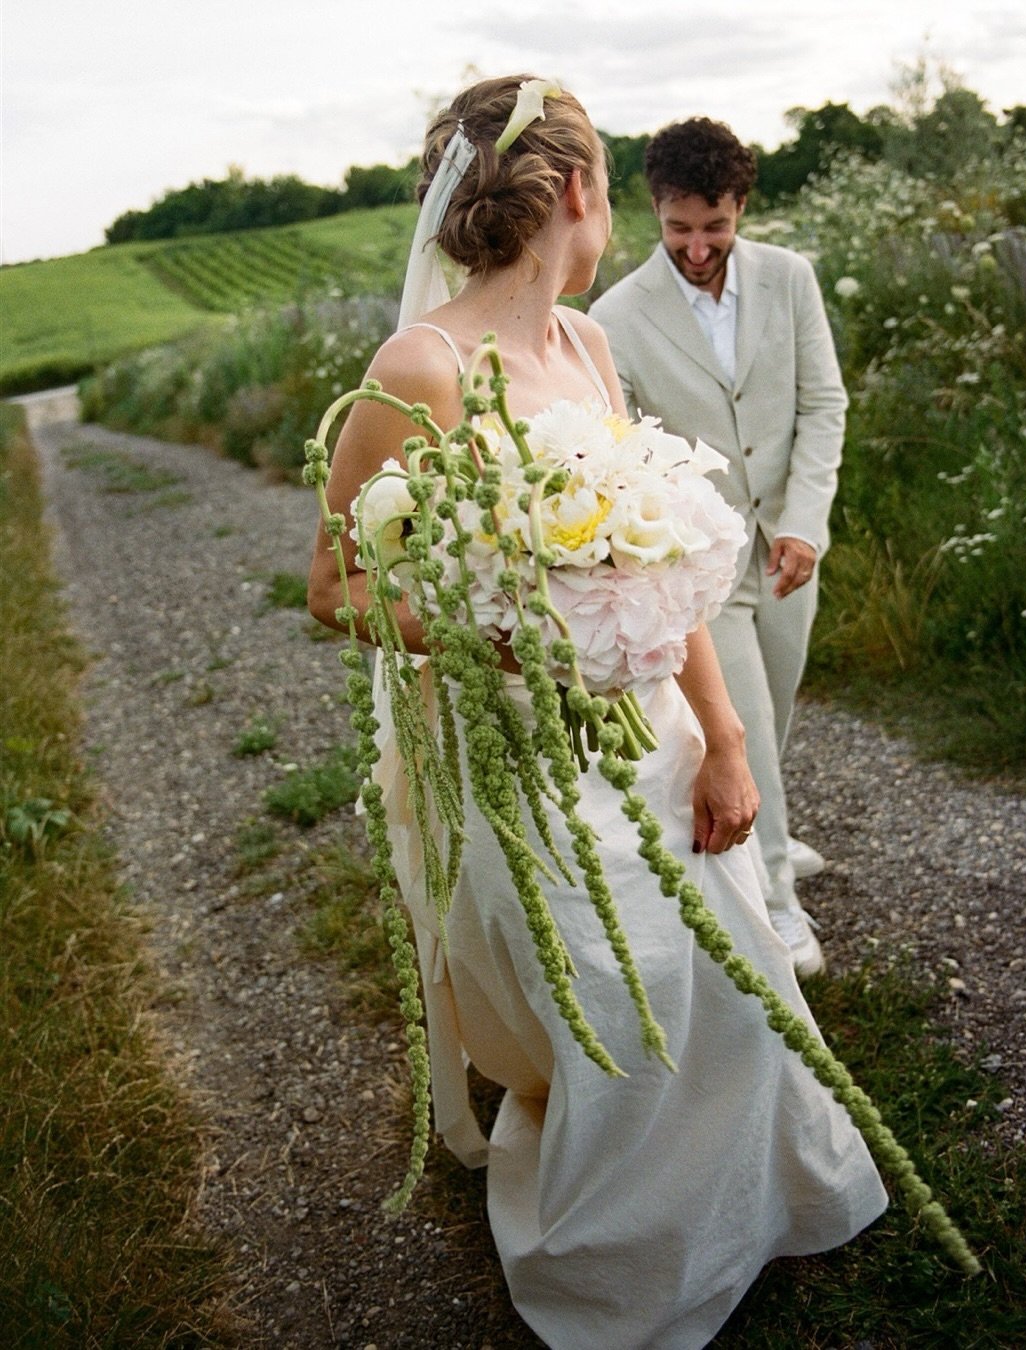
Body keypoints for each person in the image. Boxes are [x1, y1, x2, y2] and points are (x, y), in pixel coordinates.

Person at [308, 75, 885, 1350]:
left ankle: (756, 1203)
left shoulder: (590, 348)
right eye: (615, 186)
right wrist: (500, 634)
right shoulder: (421, 366)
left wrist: (727, 741)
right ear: (576, 191)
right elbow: (334, 582)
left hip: (655, 730)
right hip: (521, 752)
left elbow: (658, 565)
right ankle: (624, 1267)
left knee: (733, 986)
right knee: (616, 1007)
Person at [590, 117, 847, 977]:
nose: (698, 248)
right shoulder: (615, 315)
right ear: (655, 212)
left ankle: (771, 831)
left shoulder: (791, 279)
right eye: (678, 229)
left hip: (788, 543)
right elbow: (621, 454)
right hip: (701, 568)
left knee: (777, 700)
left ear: (740, 207)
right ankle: (777, 906)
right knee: (739, 727)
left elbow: (824, 406)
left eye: (716, 227)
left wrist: (806, 520)